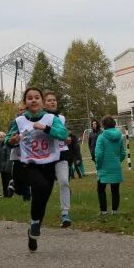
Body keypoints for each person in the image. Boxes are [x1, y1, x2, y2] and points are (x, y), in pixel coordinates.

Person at [6, 87, 68, 252]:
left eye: (36, 97)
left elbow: (63, 134)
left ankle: (33, 230)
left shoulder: (51, 118)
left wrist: (45, 128)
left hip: (48, 164)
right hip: (29, 164)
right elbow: (7, 139)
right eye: (29, 98)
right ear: (25, 102)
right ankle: (33, 221)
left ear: (41, 101)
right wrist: (12, 140)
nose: (33, 100)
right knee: (40, 186)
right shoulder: (19, 121)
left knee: (42, 200)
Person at [44, 91, 72, 227]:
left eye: (54, 100)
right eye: (49, 100)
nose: (52, 102)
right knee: (44, 187)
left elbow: (63, 133)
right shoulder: (41, 117)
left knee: (64, 182)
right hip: (46, 155)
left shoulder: (61, 117)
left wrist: (67, 138)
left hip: (61, 153)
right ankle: (38, 214)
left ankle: (65, 214)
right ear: (43, 103)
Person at [95, 116, 126, 216]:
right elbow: (123, 153)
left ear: (103, 125)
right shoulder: (120, 136)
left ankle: (103, 211)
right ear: (114, 124)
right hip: (116, 166)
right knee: (115, 190)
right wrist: (117, 161)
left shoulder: (101, 137)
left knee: (100, 189)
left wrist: (98, 166)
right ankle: (115, 210)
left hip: (103, 167)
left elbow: (99, 154)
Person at [0, 131, 13, 198]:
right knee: (3, 181)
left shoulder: (7, 145)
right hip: (1, 167)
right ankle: (5, 194)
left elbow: (9, 156)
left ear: (5, 137)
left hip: (7, 167)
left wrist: (8, 167)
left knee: (8, 181)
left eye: (2, 137)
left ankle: (10, 194)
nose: (0, 139)